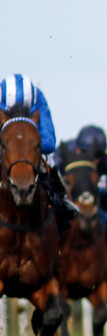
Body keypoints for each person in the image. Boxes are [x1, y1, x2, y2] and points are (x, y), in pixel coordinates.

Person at [0, 74, 76, 231]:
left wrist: (30, 145)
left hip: (31, 149)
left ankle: (62, 201)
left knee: (50, 163)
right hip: (6, 148)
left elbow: (49, 141)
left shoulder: (38, 98)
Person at [54, 125, 107, 248]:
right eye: (92, 154)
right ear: (79, 150)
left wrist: (92, 190)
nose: (95, 159)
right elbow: (53, 180)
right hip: (68, 197)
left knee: (106, 217)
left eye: (98, 155)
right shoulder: (63, 152)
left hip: (94, 199)